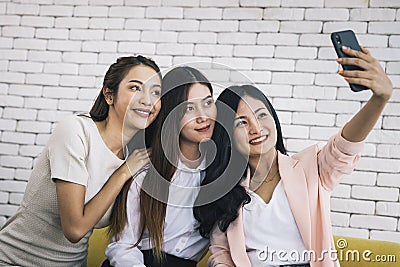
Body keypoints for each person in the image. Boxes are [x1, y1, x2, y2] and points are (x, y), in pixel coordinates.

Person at [194, 46, 393, 267]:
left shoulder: (312, 168)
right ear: (228, 135)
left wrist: (379, 99)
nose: (256, 128)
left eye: (261, 115)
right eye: (241, 122)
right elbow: (221, 252)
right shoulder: (225, 189)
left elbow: (344, 148)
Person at [0, 55, 162, 266]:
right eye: (135, 88)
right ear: (109, 95)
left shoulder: (138, 158)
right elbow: (74, 229)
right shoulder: (76, 131)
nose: (147, 100)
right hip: (15, 261)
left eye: (156, 92)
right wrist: (123, 172)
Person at [104, 66, 217, 267]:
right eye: (189, 108)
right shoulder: (147, 171)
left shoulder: (220, 173)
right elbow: (122, 246)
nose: (203, 116)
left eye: (208, 103)